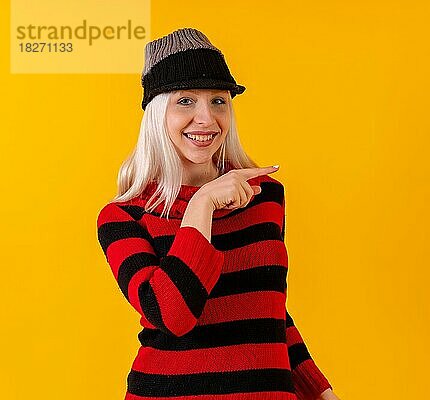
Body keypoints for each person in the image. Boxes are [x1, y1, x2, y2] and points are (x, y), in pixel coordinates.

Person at [96, 28, 341, 400]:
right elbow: (172, 315)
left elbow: (268, 311)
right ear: (157, 112)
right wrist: (201, 205)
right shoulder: (123, 217)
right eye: (185, 101)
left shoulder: (265, 197)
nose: (206, 118)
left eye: (218, 101)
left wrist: (320, 391)